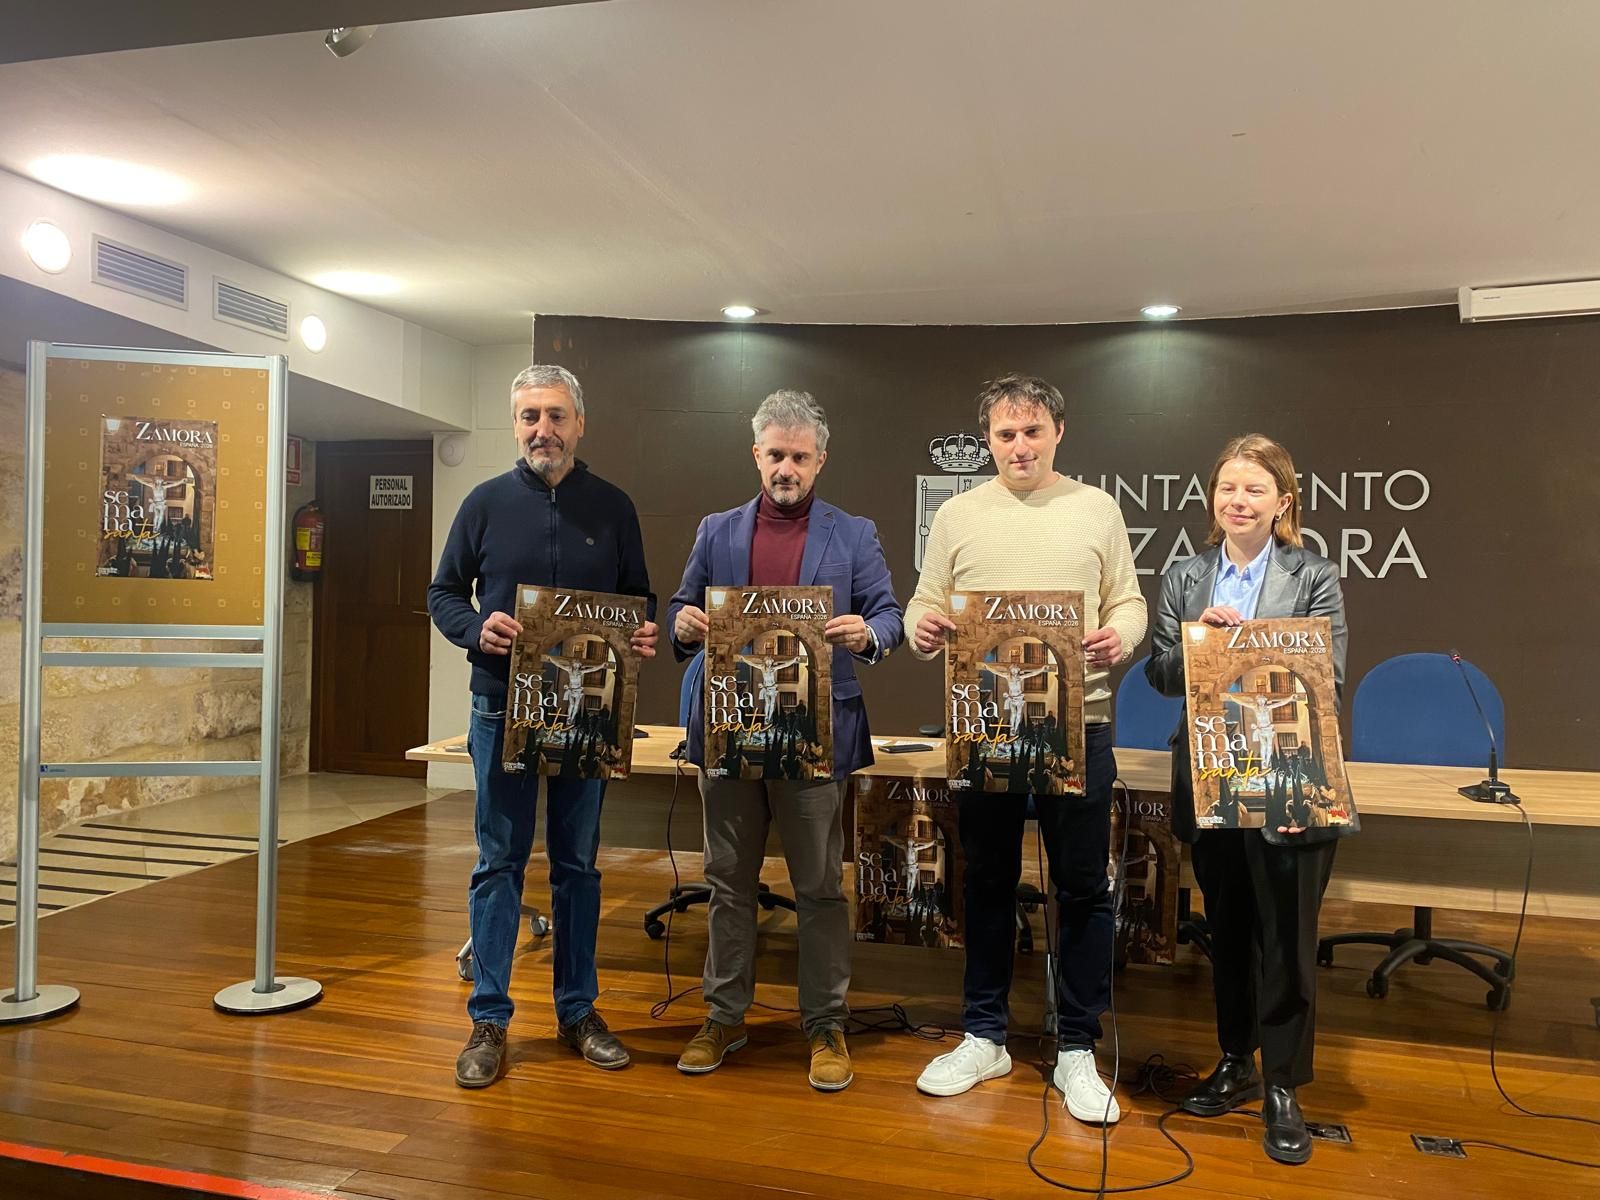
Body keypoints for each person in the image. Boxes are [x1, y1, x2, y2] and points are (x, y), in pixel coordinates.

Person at [905, 374, 1146, 1123]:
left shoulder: (1096, 508)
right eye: (1006, 435)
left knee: (1081, 889)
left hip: (1081, 725)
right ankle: (985, 1034)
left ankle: (1076, 1045)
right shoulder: (956, 514)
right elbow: (926, 598)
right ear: (989, 441)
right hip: (985, 728)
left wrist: (1123, 636)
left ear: (1057, 434)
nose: (1019, 446)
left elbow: (1129, 601)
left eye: (1032, 431)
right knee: (986, 882)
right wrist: (922, 626)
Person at [428, 364, 658, 1089]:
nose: (542, 431)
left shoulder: (614, 507)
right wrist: (474, 628)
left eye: (556, 416)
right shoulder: (484, 502)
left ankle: (577, 1011)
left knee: (577, 866)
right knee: (499, 861)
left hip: (587, 713)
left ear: (579, 423)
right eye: (529, 416)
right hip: (502, 708)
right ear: (515, 423)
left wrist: (642, 630)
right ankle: (488, 1018)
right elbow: (442, 593)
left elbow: (637, 594)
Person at [667, 389, 903, 1092]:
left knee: (820, 888)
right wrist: (683, 624)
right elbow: (683, 603)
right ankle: (723, 1016)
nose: (787, 468)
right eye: (776, 455)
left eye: (800, 457)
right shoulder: (716, 531)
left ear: (820, 460)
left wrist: (870, 634)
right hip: (730, 730)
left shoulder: (854, 534)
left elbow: (887, 613)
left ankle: (825, 1024)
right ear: (756, 455)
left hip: (815, 737)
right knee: (727, 880)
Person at [1144, 432, 1349, 1166]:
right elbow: (1161, 675)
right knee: (1228, 929)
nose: (1239, 500)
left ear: (1283, 503)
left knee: (1287, 937)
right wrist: (1200, 642)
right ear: (1213, 499)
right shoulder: (1183, 577)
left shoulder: (1315, 575)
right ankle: (1236, 1059)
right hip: (1210, 776)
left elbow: (1330, 669)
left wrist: (1249, 645)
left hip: (1289, 777)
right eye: (1229, 487)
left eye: (1256, 489)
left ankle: (1284, 1084)